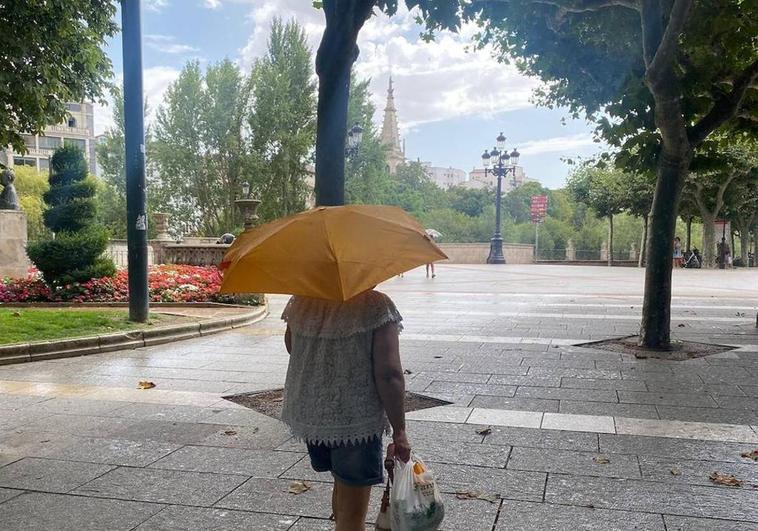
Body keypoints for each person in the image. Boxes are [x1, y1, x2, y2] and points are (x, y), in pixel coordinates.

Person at [281, 290, 411, 531]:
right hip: (355, 421)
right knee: (352, 516)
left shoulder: (302, 301)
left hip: (313, 417)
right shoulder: (376, 305)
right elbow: (389, 374)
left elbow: (292, 347)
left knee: (342, 484)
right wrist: (400, 430)